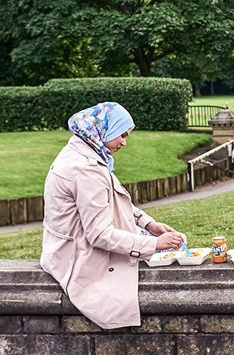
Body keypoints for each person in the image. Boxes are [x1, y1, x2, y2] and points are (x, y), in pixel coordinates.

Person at [40, 102, 184, 330]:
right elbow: (99, 235)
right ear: (103, 129)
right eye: (121, 135)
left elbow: (115, 199)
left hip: (62, 248)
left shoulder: (84, 151)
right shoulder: (86, 169)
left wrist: (148, 223)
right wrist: (153, 243)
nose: (124, 142)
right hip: (76, 258)